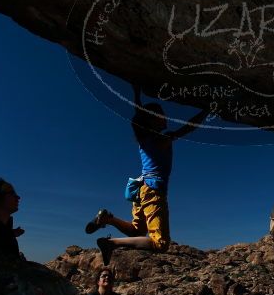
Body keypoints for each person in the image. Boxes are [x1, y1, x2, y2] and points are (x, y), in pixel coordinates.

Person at [85, 83, 209, 265]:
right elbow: (189, 127)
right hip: (153, 190)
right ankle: (110, 243)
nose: (165, 117)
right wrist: (206, 111)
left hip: (141, 189)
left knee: (136, 232)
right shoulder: (162, 139)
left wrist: (136, 95)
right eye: (161, 114)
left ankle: (107, 219)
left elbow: (140, 114)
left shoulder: (144, 139)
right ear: (153, 120)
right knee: (160, 244)